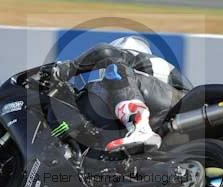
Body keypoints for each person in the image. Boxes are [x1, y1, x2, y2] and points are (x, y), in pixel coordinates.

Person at [52, 36, 191, 152]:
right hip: (172, 134)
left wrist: (66, 69)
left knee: (114, 71)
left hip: (179, 106)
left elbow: (105, 53)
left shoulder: (136, 61)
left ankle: (139, 128)